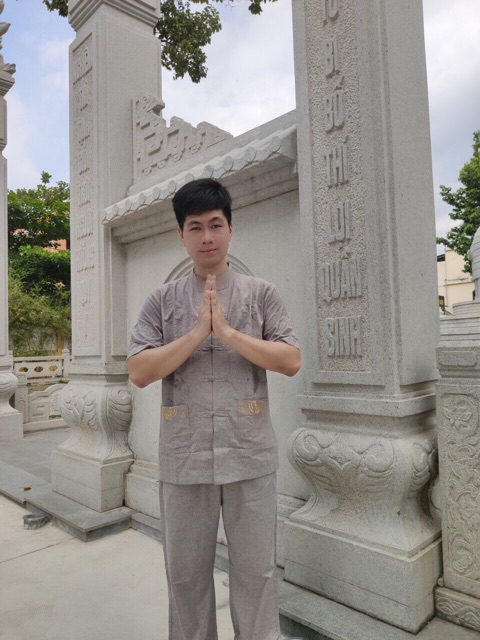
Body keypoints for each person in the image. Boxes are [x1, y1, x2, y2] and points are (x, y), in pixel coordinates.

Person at [127, 178, 301, 640]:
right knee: (185, 577)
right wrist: (195, 334)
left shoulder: (261, 294)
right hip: (184, 460)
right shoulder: (161, 301)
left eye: (216, 225)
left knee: (257, 574)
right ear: (181, 235)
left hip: (250, 455)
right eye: (196, 227)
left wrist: (227, 333)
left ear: (230, 229)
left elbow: (290, 360)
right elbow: (139, 371)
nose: (207, 236)